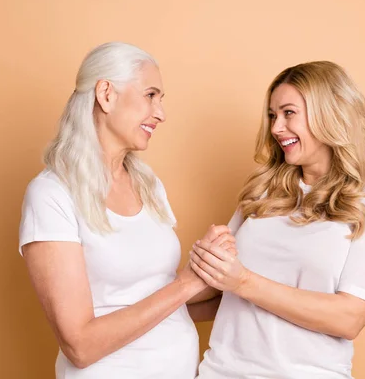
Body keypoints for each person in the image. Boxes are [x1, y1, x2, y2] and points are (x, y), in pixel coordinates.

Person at [18, 42, 234, 379]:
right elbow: (81, 346)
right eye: (151, 95)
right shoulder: (50, 195)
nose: (161, 113)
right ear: (106, 94)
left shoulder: (148, 185)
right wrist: (188, 283)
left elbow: (157, 300)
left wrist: (229, 277)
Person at [191, 61, 365, 379]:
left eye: (289, 113)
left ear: (329, 114)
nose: (276, 128)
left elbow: (349, 319)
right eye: (272, 115)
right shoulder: (262, 192)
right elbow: (218, 294)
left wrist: (243, 281)